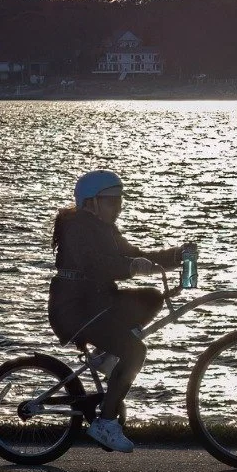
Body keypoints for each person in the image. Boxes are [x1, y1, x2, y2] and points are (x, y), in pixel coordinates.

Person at [48, 169, 195, 453]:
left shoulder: (104, 228)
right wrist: (130, 267)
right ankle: (105, 422)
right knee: (136, 352)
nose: (118, 207)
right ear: (90, 202)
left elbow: (136, 255)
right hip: (75, 309)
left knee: (152, 298)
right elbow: (97, 265)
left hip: (97, 303)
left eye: (120, 201)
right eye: (111, 201)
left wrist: (177, 255)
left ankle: (108, 357)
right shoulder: (77, 227)